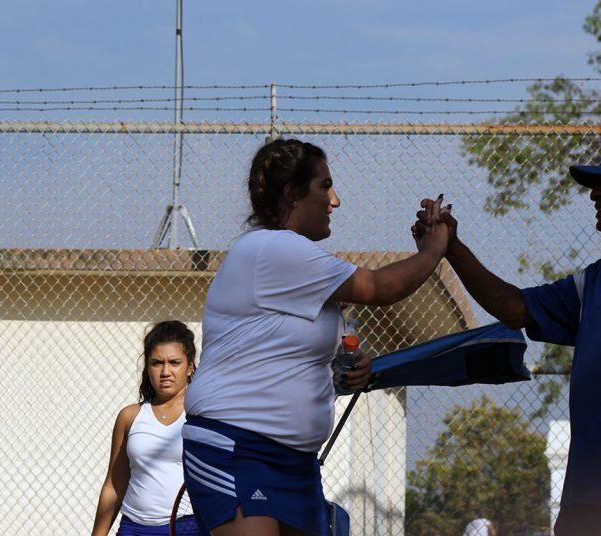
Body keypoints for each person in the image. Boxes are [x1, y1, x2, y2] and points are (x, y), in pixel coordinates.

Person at [413, 138, 601, 536]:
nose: (595, 194)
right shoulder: (597, 277)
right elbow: (517, 308)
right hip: (585, 497)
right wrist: (451, 248)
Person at [182, 138, 451, 535]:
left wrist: (346, 366)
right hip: (238, 447)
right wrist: (434, 251)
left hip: (295, 461)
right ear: (292, 194)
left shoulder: (299, 266)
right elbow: (378, 288)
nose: (335, 200)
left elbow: (294, 352)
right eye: (325, 186)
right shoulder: (273, 248)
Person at [91, 321, 200, 536]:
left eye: (175, 362)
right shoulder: (129, 417)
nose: (165, 371)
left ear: (189, 367)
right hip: (133, 528)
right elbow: (114, 484)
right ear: (147, 367)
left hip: (190, 527)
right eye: (157, 362)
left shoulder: (203, 415)